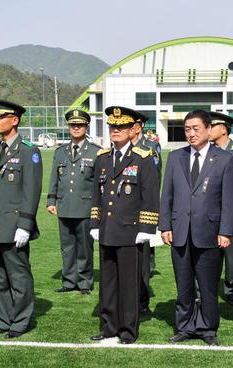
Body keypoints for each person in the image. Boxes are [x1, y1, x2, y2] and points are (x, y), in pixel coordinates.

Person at [159, 110, 233, 346]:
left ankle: (207, 328)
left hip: (210, 233)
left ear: (208, 129)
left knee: (208, 285)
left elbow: (229, 199)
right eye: (187, 129)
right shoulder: (175, 157)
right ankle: (184, 326)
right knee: (183, 285)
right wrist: (165, 226)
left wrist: (225, 231)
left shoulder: (223, 159)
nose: (191, 134)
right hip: (180, 230)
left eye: (196, 129)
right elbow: (167, 195)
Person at [89, 106, 160, 345]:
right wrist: (95, 222)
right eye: (112, 127)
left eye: (121, 127)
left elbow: (150, 195)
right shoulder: (103, 158)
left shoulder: (143, 158)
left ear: (133, 130)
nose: (115, 131)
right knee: (108, 283)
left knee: (129, 283)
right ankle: (109, 327)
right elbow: (96, 193)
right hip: (108, 228)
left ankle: (128, 330)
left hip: (131, 230)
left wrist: (147, 228)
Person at [0, 99, 42, 339]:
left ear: (14, 120)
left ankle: (21, 320)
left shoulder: (28, 151)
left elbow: (31, 191)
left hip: (14, 225)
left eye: (0, 117)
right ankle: (4, 318)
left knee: (18, 276)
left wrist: (25, 225)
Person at [47, 109, 101, 294]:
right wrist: (51, 200)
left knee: (85, 247)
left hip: (85, 206)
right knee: (67, 247)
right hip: (64, 205)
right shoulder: (60, 152)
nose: (76, 128)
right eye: (72, 125)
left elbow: (99, 183)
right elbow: (54, 178)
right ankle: (69, 281)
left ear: (86, 127)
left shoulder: (96, 152)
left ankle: (85, 282)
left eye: (80, 125)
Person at [208, 111, 233, 306]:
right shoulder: (206, 151)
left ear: (223, 129)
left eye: (212, 125)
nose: (208, 129)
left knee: (232, 260)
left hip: (232, 215)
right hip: (210, 214)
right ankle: (206, 292)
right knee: (209, 257)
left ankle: (232, 293)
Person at [132, 111, 162, 313]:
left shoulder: (150, 148)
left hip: (142, 208)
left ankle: (142, 301)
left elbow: (154, 180)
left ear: (138, 126)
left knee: (142, 256)